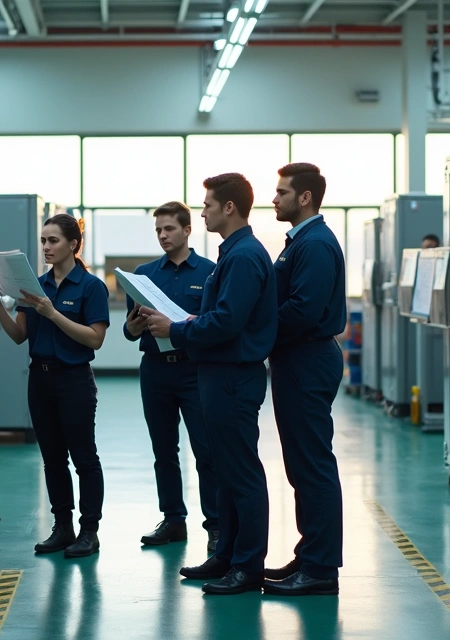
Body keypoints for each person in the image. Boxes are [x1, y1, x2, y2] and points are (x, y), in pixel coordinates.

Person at [140, 173, 277, 596]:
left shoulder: (243, 256)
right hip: (218, 374)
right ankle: (228, 555)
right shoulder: (234, 252)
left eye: (207, 206)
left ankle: (248, 566)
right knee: (229, 473)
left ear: (229, 207)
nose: (202, 213)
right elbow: (221, 317)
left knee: (241, 474)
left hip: (233, 376)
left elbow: (227, 322)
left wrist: (177, 328)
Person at [0, 214, 110, 558]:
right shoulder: (33, 285)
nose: (46, 247)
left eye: (53, 240)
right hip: (40, 380)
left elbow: (95, 339)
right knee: (53, 459)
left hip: (74, 381)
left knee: (84, 458)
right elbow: (19, 335)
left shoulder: (91, 287)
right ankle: (62, 527)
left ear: (73, 244)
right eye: (43, 241)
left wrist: (52, 313)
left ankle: (89, 531)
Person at [261, 162, 345, 597]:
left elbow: (303, 310)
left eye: (281, 192)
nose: (274, 199)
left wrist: (254, 331)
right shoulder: (301, 241)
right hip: (297, 358)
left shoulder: (313, 244)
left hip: (307, 358)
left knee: (312, 465)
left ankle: (320, 569)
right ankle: (310, 553)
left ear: (305, 197)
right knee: (300, 465)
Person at [123, 201, 220, 553]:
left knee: (206, 450)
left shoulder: (210, 272)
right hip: (155, 371)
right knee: (163, 450)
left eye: (169, 229)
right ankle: (173, 520)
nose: (163, 236)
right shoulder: (144, 275)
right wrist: (133, 328)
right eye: (158, 230)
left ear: (187, 230)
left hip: (195, 370)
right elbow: (130, 329)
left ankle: (216, 525)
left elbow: (215, 324)